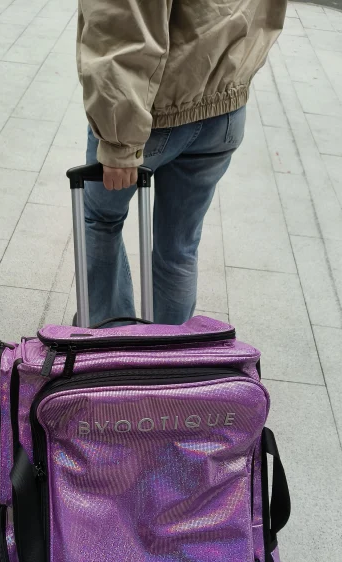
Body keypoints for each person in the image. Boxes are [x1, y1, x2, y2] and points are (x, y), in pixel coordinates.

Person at [77, 0, 287, 325]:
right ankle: (169, 351)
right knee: (179, 247)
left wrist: (119, 143)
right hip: (225, 104)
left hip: (154, 110)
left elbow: (124, 21)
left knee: (101, 220)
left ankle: (108, 342)